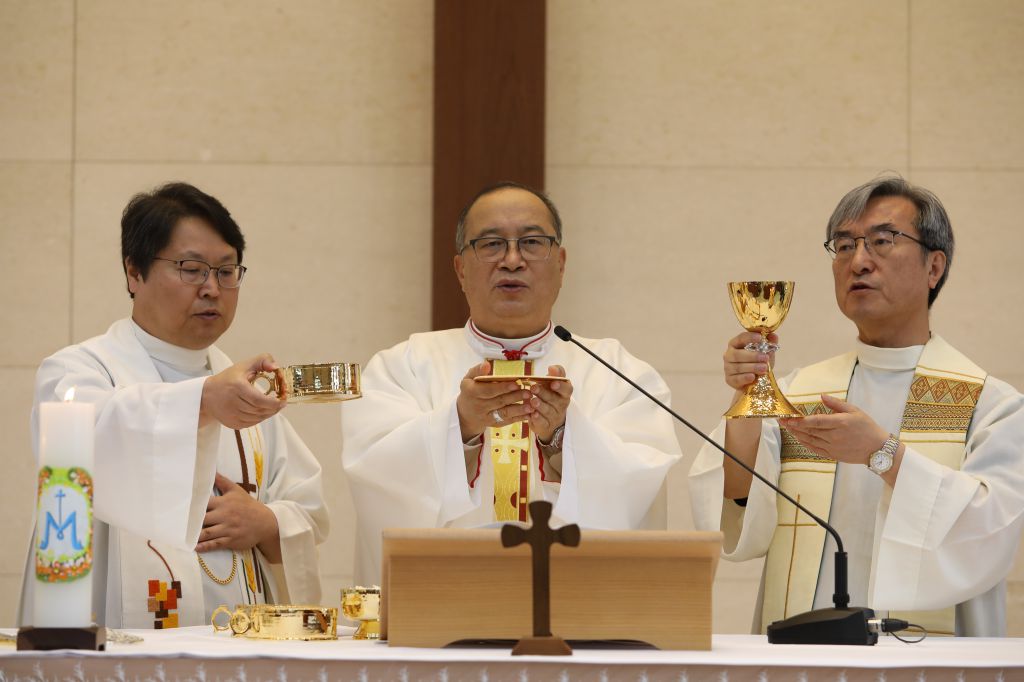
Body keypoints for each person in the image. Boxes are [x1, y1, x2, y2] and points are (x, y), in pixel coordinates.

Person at [689, 176, 1024, 636]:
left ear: (934, 267)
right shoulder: (802, 392)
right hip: (806, 655)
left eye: (882, 241)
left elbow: (992, 530)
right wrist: (749, 392)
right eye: (844, 246)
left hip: (929, 660)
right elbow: (738, 506)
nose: (859, 262)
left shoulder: (989, 404)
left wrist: (883, 455)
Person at [20, 182, 329, 628]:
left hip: (240, 650)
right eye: (191, 268)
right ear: (134, 272)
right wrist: (203, 401)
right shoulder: (76, 372)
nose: (212, 289)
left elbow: (311, 512)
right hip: (120, 644)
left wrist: (263, 522)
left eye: (226, 271)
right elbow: (85, 446)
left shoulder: (245, 388)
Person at [342, 181, 681, 584]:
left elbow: (640, 485)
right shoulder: (402, 367)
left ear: (562, 263)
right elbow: (376, 476)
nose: (512, 260)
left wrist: (561, 436)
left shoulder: (618, 371)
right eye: (490, 244)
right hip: (444, 600)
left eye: (533, 242)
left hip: (576, 602)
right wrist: (460, 425)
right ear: (460, 269)